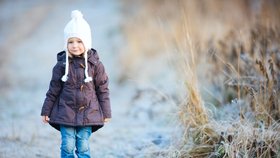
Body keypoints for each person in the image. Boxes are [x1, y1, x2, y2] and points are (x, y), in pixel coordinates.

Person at [41, 10, 111, 158]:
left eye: (79, 41)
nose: (75, 45)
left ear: (87, 42)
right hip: (65, 112)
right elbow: (53, 89)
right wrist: (46, 110)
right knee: (67, 144)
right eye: (70, 42)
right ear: (65, 44)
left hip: (88, 112)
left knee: (83, 144)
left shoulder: (95, 65)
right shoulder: (61, 65)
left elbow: (103, 89)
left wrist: (106, 112)